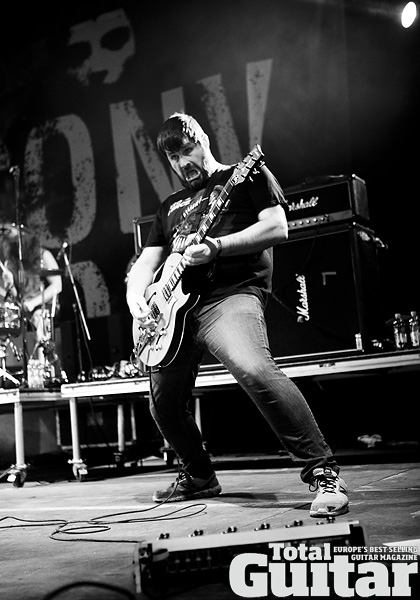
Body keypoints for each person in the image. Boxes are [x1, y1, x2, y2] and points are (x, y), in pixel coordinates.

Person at [126, 112, 349, 518]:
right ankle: (197, 475)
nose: (182, 162)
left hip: (228, 296)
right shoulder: (169, 207)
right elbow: (147, 262)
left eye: (188, 149)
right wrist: (135, 296)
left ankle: (322, 470)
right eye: (173, 157)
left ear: (205, 139)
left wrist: (218, 247)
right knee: (163, 402)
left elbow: (277, 228)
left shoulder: (244, 176)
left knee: (253, 368)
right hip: (173, 312)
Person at [0, 223, 62, 365]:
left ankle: (44, 367)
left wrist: (33, 303)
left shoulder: (43, 255)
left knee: (39, 319)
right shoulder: (11, 262)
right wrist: (10, 284)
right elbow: (16, 295)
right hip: (24, 307)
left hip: (44, 304)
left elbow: (57, 286)